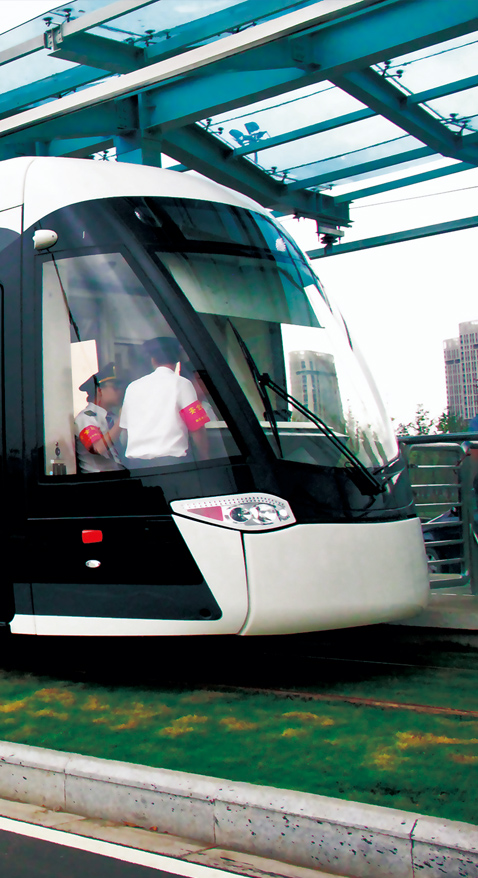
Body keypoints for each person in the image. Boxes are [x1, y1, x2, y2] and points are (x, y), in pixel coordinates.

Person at [119, 337, 210, 466]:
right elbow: (197, 426)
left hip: (137, 466)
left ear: (153, 359)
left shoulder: (132, 387)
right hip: (172, 464)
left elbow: (125, 431)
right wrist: (204, 457)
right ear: (177, 359)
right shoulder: (182, 383)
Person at [75, 363, 125, 474]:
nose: (120, 391)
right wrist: (122, 420)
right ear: (99, 390)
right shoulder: (85, 418)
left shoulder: (114, 418)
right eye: (115, 387)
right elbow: (98, 448)